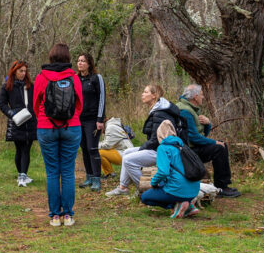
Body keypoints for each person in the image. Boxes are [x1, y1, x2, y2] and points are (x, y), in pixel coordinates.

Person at [33, 43, 83, 227]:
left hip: (46, 127)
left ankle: (55, 216)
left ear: (51, 57)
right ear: (68, 58)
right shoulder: (74, 78)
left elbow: (35, 104)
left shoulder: (41, 77)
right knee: (68, 172)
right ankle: (68, 215)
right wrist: (71, 119)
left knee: (52, 172)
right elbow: (79, 105)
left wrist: (44, 120)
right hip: (72, 127)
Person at [106, 84, 181, 197]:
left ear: (154, 95)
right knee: (127, 152)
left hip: (162, 152)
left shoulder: (160, 113)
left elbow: (156, 140)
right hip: (157, 148)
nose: (142, 94)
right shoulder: (157, 109)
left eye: (146, 92)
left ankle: (146, 190)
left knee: (128, 160)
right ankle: (123, 187)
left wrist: (141, 149)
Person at [175, 84, 241, 198]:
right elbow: (193, 137)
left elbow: (203, 134)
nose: (203, 97)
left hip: (190, 149)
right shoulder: (185, 111)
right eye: (201, 95)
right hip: (187, 152)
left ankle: (222, 185)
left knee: (221, 145)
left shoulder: (190, 108)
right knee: (219, 148)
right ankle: (222, 187)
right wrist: (214, 142)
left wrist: (207, 124)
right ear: (195, 97)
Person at [139, 120, 201, 218]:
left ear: (160, 135)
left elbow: (163, 172)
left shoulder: (163, 148)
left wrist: (153, 183)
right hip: (194, 191)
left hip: (177, 189)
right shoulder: (184, 146)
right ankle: (188, 204)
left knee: (145, 197)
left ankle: (176, 205)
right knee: (166, 182)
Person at [0, 60, 37, 187]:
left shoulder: (31, 85)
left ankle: (23, 175)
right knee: (19, 148)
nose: (23, 73)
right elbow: (2, 104)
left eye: (25, 71)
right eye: (21, 71)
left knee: (27, 147)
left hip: (30, 121)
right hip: (16, 121)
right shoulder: (7, 86)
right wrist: (12, 114)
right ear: (14, 71)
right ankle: (21, 174)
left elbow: (37, 101)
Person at [76, 53, 106, 192]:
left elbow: (102, 99)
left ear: (89, 63)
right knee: (84, 148)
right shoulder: (75, 79)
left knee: (92, 149)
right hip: (79, 119)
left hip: (93, 120)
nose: (80, 63)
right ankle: (88, 177)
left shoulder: (96, 78)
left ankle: (96, 179)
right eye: (78, 61)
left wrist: (100, 119)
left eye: (83, 61)